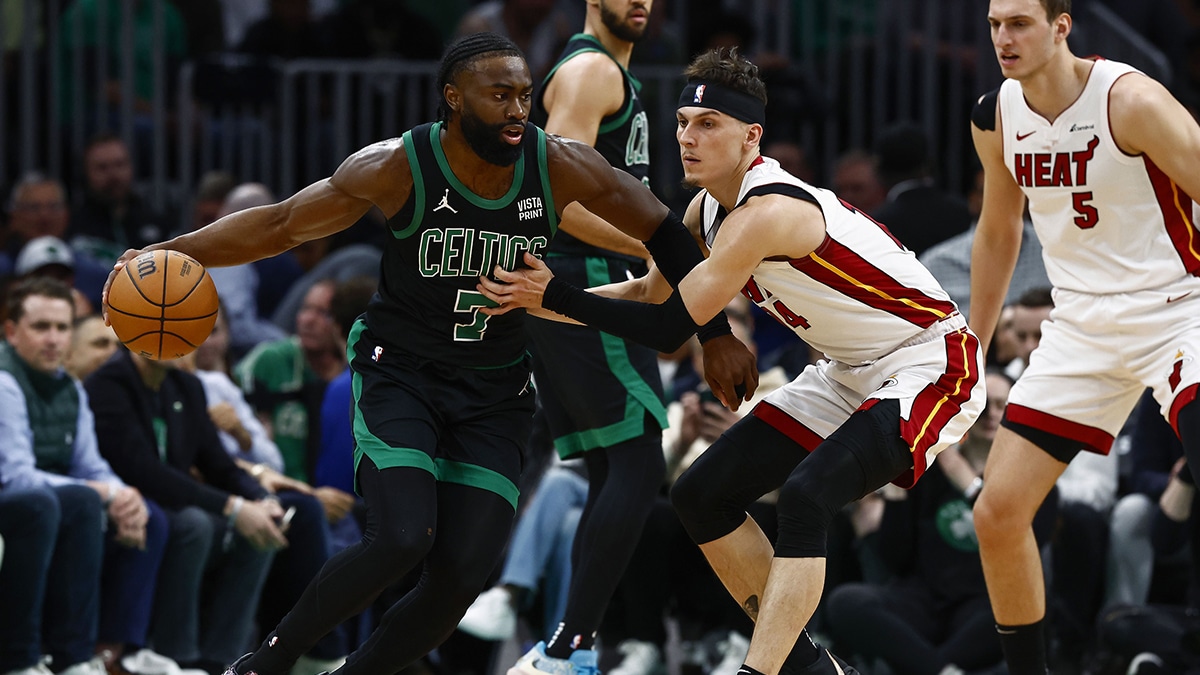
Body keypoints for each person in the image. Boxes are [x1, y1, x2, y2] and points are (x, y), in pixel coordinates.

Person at [101, 32, 755, 675]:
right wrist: (178, 250)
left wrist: (718, 335)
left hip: (495, 389)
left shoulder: (557, 164)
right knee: (402, 536)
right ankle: (264, 662)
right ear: (453, 98)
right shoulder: (394, 166)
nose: (518, 109)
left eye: (525, 95)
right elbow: (280, 223)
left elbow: (666, 231)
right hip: (401, 371)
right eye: (499, 95)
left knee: (460, 578)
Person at [479, 47, 985, 675]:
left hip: (931, 359)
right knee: (701, 495)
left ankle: (761, 671)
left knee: (806, 496)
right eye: (684, 125)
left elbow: (667, 329)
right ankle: (809, 668)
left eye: (708, 125)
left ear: (751, 137)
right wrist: (528, 303)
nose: (688, 138)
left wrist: (554, 293)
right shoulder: (704, 212)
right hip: (845, 370)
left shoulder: (769, 211)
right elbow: (646, 294)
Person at [965, 1, 1200, 673]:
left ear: (1062, 26)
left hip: (1176, 308)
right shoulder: (996, 114)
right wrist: (973, 350)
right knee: (998, 512)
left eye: (1020, 23)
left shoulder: (1131, 101)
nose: (1003, 39)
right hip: (1080, 327)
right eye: (994, 24)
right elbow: (998, 232)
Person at [497, 1, 679, 672]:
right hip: (584, 277)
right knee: (638, 460)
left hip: (568, 280)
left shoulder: (605, 74)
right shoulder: (591, 73)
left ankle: (567, 648)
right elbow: (557, 196)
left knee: (611, 467)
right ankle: (567, 646)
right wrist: (654, 246)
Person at [0, 277, 185, 675]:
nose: (53, 339)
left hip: (50, 500)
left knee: (146, 514)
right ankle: (29, 658)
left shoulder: (70, 387)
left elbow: (91, 465)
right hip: (18, 498)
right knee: (68, 502)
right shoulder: (4, 381)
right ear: (11, 331)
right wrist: (100, 492)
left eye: (62, 328)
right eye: (40, 327)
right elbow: (15, 477)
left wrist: (122, 494)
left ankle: (118, 651)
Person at [86, 346, 287, 673]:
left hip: (179, 501)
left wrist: (263, 499)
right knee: (196, 524)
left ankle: (225, 659)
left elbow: (219, 464)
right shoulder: (108, 384)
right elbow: (143, 470)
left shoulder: (186, 387)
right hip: (132, 501)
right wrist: (233, 507)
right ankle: (177, 655)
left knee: (260, 529)